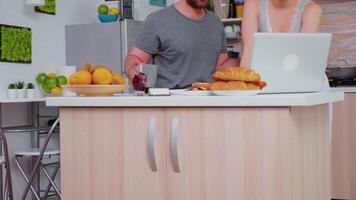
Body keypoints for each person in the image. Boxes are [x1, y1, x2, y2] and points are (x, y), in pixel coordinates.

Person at [124, 0, 239, 89]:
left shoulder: (216, 22)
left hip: (207, 101)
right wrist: (134, 70)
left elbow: (220, 69)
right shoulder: (157, 20)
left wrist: (246, 57)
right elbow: (135, 58)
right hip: (170, 103)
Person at [240, 0, 322, 67]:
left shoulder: (312, 9)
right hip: (263, 76)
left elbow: (303, 59)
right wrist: (245, 83)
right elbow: (249, 50)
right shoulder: (253, 4)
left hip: (297, 75)